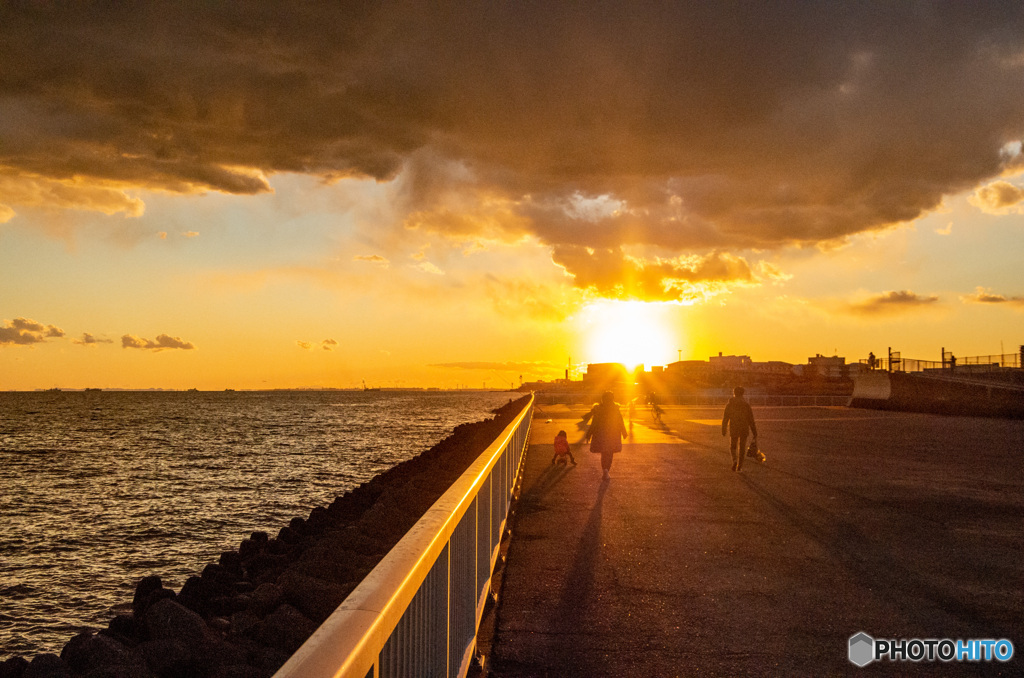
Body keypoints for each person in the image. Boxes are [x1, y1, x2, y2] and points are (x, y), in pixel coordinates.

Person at [586, 391, 628, 479]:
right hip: (613, 434)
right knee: (610, 453)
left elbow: (594, 423)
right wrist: (624, 432)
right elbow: (620, 421)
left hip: (601, 434)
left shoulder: (598, 409)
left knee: (604, 453)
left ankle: (605, 470)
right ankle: (607, 470)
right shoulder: (615, 409)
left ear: (602, 399)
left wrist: (589, 434)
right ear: (612, 399)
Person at [722, 386, 757, 472]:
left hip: (734, 427)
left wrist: (724, 428)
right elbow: (751, 419)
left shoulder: (730, 404)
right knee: (742, 447)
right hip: (744, 428)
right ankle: (739, 466)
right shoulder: (746, 405)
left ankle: (734, 460)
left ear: (734, 393)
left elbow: (725, 418)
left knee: (733, 446)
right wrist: (754, 432)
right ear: (742, 393)